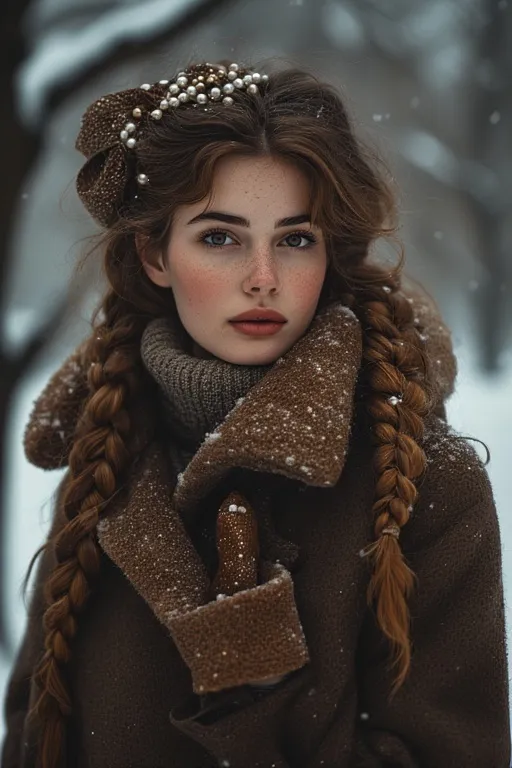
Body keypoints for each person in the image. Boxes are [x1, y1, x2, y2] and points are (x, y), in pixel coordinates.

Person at [1, 60, 509, 768]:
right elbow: (32, 736)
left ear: (329, 252)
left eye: (295, 238)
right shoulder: (105, 457)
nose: (263, 276)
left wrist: (258, 692)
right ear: (154, 253)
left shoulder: (428, 484)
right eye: (220, 237)